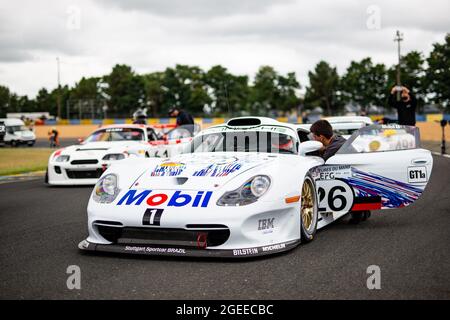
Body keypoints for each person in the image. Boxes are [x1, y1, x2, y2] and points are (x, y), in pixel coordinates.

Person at [310, 119, 370, 224]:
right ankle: (363, 210)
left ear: (321, 137)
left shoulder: (334, 148)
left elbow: (320, 164)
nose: (313, 139)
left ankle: (358, 212)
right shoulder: (338, 139)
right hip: (360, 179)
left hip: (352, 183)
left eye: (314, 136)